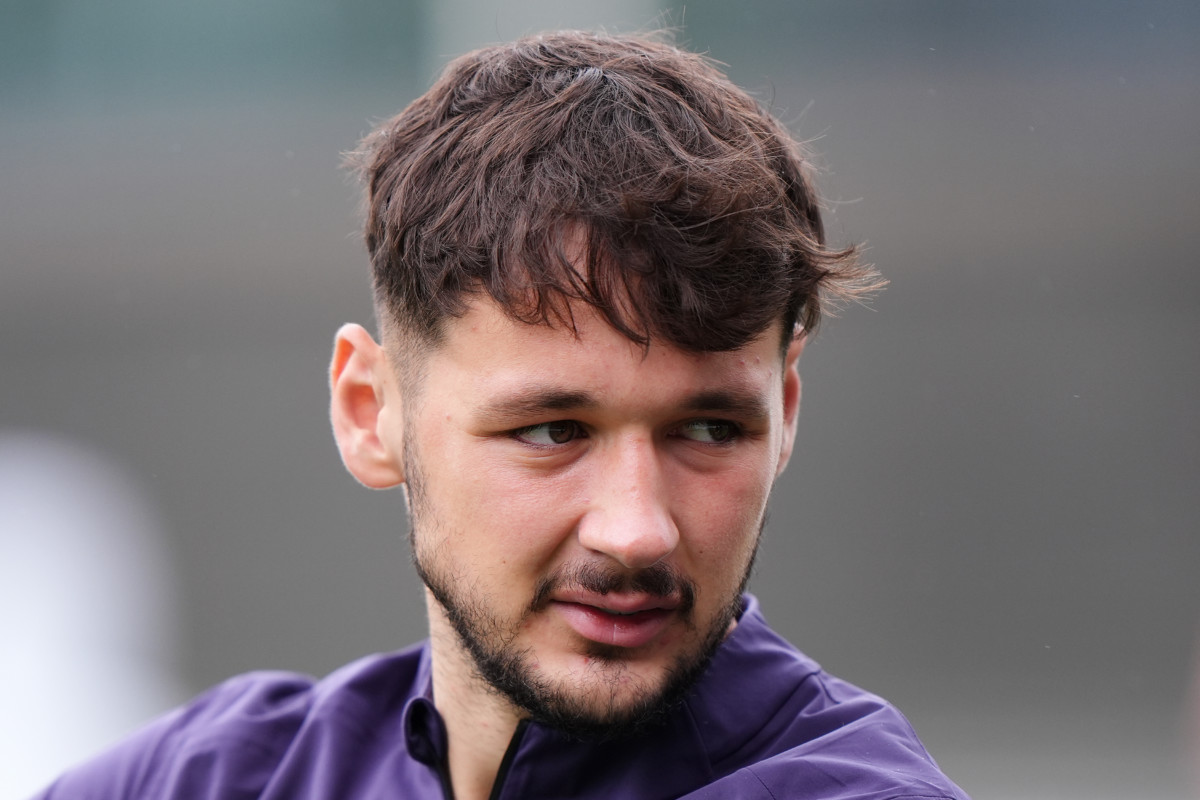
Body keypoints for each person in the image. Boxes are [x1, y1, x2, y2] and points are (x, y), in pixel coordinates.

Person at [34, 31, 969, 800]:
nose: (637, 531)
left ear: (786, 414)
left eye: (710, 429)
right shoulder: (210, 779)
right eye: (553, 431)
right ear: (372, 412)